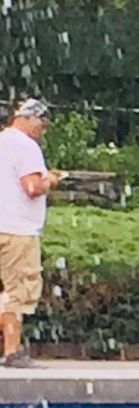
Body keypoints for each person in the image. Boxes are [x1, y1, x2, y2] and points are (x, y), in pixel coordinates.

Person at [0, 99, 63, 369]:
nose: (43, 129)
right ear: (29, 118)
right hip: (18, 230)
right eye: (42, 123)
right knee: (18, 291)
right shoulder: (26, 146)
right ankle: (12, 351)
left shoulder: (2, 140)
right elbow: (32, 187)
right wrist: (51, 179)